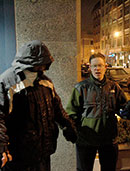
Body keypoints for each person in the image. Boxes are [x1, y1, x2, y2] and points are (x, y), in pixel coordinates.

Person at [0, 40, 77, 171]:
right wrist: (2, 146)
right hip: (19, 156)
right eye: (39, 64)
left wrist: (69, 127)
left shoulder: (45, 82)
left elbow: (57, 109)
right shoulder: (8, 82)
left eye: (44, 64)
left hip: (43, 152)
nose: (42, 68)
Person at [66, 53, 130, 171]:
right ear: (90, 68)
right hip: (86, 140)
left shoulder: (114, 87)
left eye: (100, 65)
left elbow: (123, 108)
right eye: (94, 66)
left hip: (108, 140)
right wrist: (71, 131)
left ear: (105, 66)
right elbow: (71, 113)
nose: (97, 69)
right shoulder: (81, 88)